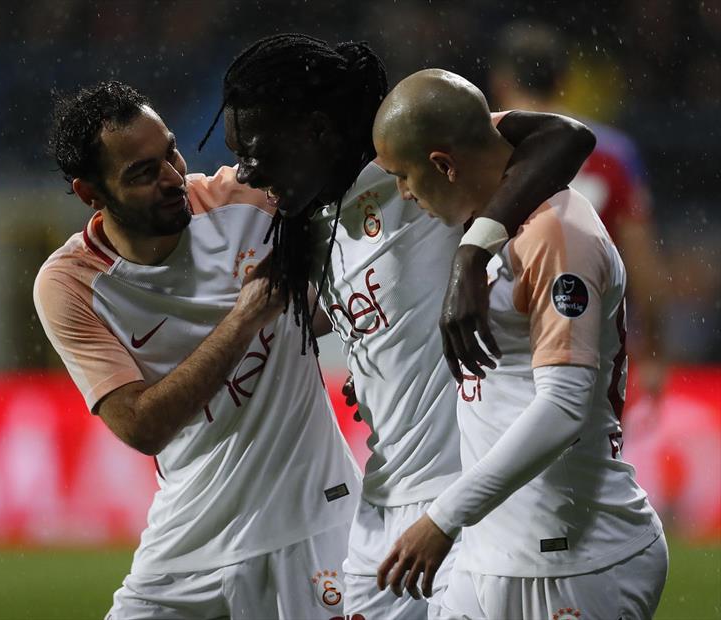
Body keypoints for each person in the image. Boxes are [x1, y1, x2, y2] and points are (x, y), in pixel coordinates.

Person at [211, 34, 595, 619]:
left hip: (464, 503)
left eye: (257, 150)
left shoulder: (407, 162)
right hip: (383, 502)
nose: (246, 170)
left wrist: (472, 252)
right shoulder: (308, 219)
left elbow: (566, 137)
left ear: (315, 131)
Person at [34, 81, 361, 620]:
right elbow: (141, 426)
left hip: (318, 520)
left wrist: (369, 352)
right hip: (186, 541)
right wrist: (245, 317)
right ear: (90, 193)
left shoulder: (250, 198)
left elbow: (365, 245)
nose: (172, 178)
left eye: (171, 153)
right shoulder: (72, 283)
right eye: (142, 173)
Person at [373, 69, 667, 619]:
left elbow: (563, 407)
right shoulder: (486, 209)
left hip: (576, 560)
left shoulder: (558, 233)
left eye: (405, 178)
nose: (404, 195)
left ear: (444, 165)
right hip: (488, 552)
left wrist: (443, 518)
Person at [490, 20, 669, 396]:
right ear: (562, 81)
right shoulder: (612, 154)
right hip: (588, 340)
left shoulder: (486, 150)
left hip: (502, 344)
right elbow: (644, 266)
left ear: (501, 82)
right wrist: (653, 352)